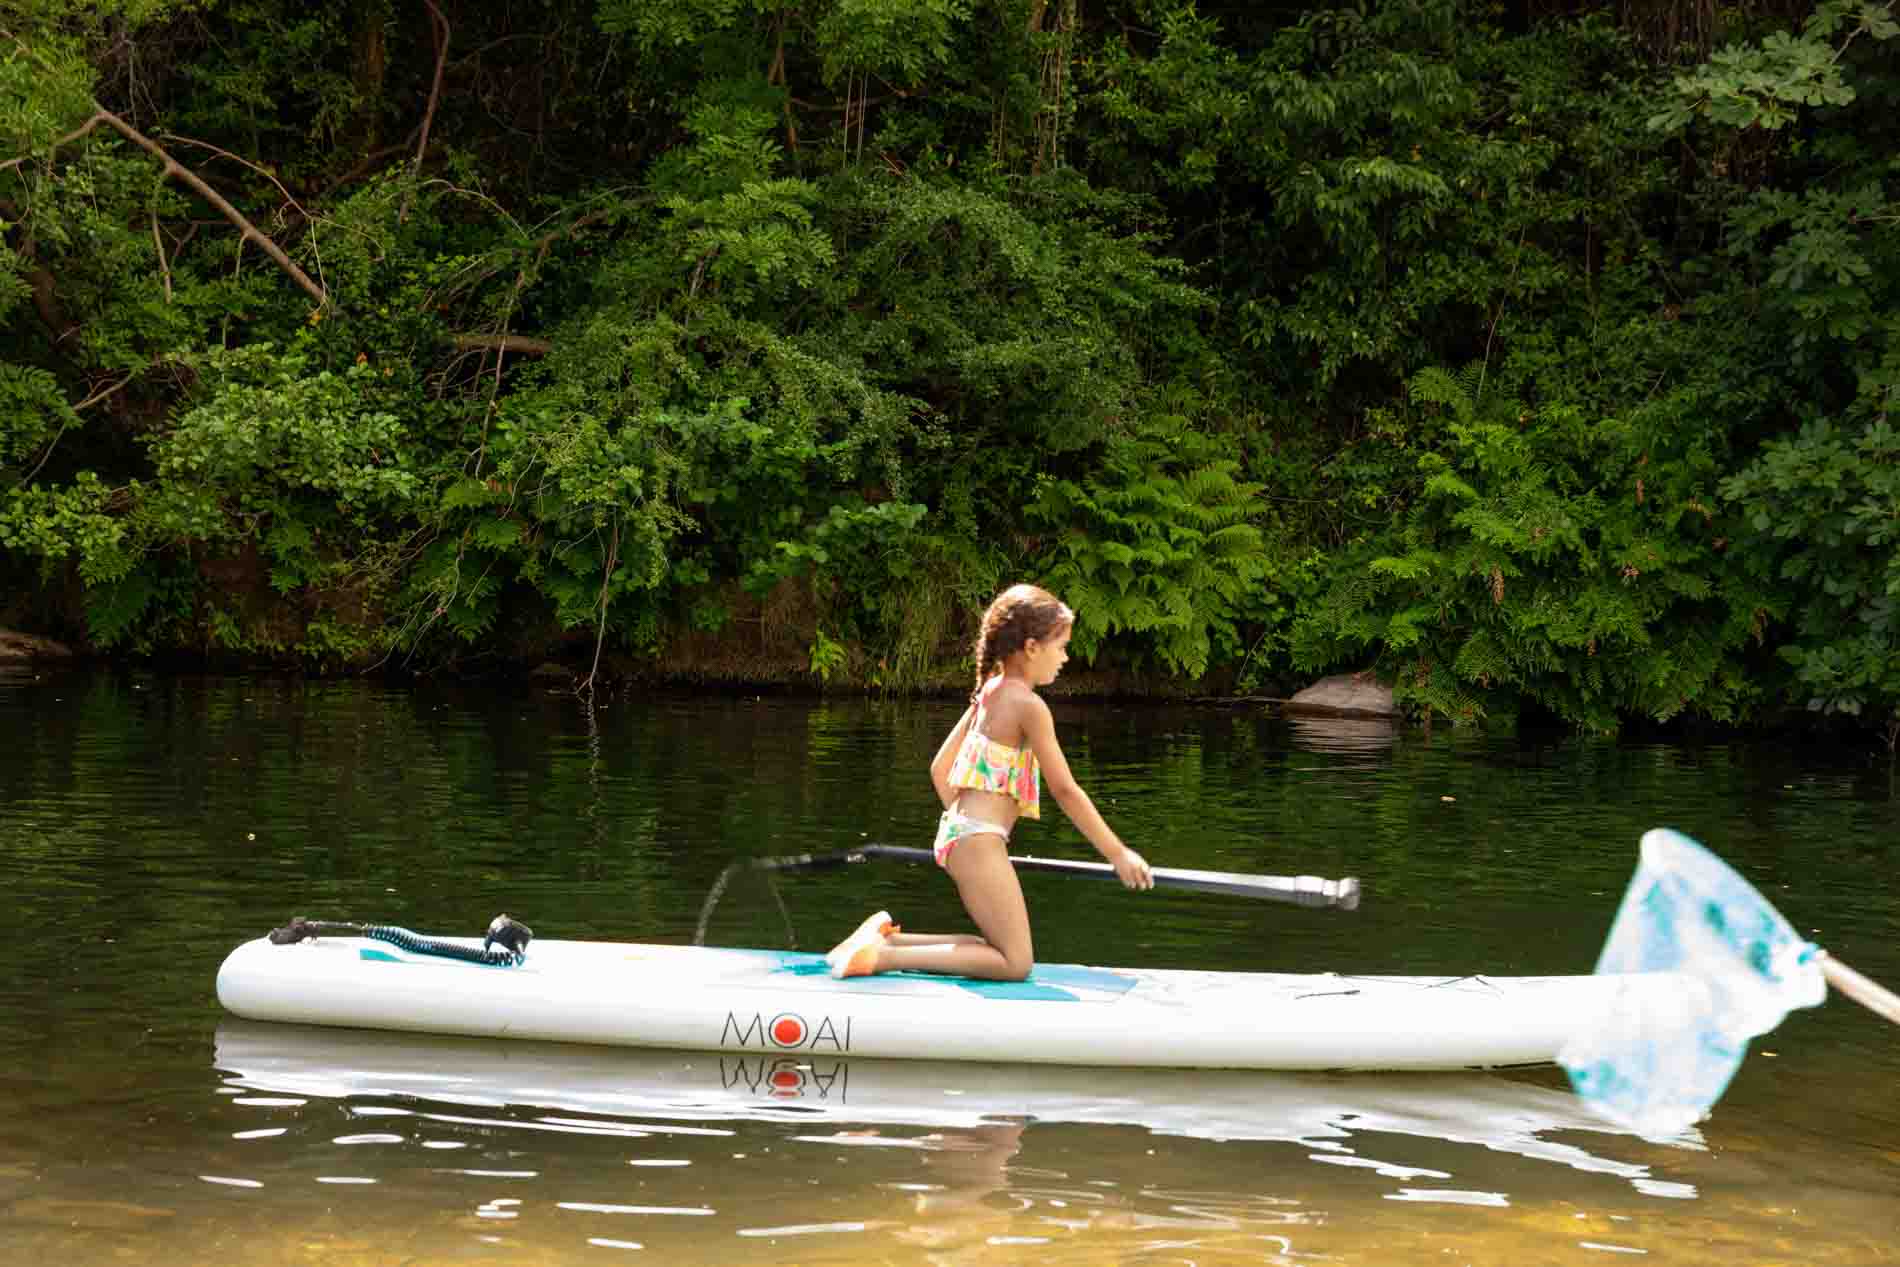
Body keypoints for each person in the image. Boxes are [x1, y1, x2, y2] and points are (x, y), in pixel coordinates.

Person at [826, 583, 1153, 981]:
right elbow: (1065, 790)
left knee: (991, 949)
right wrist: (1118, 853)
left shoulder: (988, 693)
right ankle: (881, 957)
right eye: (1061, 646)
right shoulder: (1029, 707)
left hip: (959, 833)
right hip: (976, 839)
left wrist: (965, 831)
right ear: (1031, 647)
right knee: (1015, 964)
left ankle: (887, 940)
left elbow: (939, 768)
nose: (1066, 657)